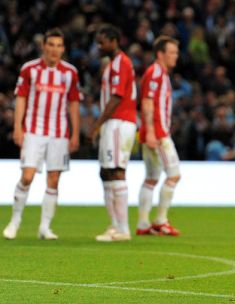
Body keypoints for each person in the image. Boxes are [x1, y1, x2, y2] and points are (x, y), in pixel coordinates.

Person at [3, 28, 81, 240]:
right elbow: (21, 98)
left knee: (53, 180)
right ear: (44, 47)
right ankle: (15, 221)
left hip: (59, 133)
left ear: (63, 49)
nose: (55, 50)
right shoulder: (30, 69)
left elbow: (73, 103)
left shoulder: (70, 73)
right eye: (51, 45)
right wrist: (18, 127)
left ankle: (44, 227)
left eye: (59, 46)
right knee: (27, 176)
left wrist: (75, 134)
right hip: (34, 130)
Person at [89, 24, 137, 242]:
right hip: (112, 123)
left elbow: (117, 98)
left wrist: (97, 123)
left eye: (102, 42)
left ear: (114, 41)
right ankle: (115, 224)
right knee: (105, 173)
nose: (99, 46)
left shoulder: (121, 63)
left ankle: (123, 229)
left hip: (119, 122)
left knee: (117, 171)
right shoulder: (112, 65)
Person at [136, 36, 181, 236]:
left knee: (151, 178)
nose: (175, 56)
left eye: (176, 52)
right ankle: (161, 220)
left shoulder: (160, 73)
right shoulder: (155, 73)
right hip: (158, 133)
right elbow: (147, 102)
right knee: (173, 175)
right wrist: (152, 132)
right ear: (160, 54)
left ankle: (143, 224)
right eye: (171, 52)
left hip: (151, 132)